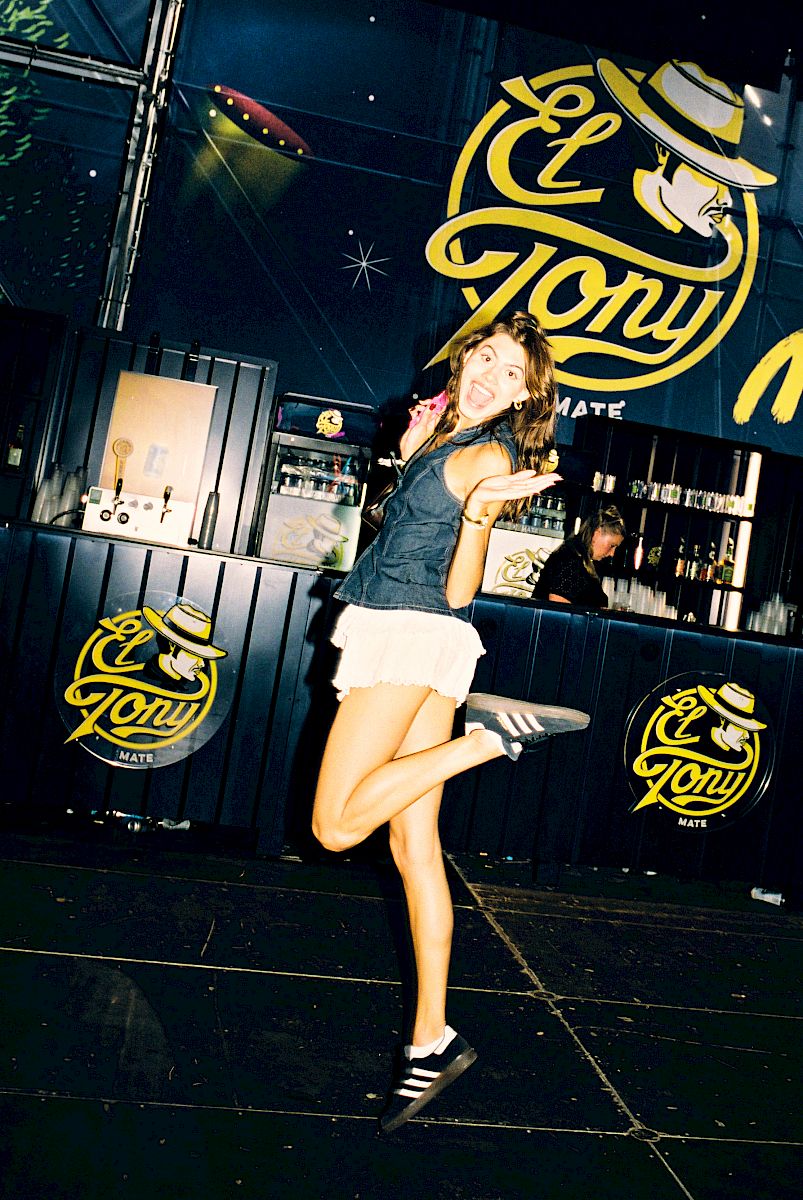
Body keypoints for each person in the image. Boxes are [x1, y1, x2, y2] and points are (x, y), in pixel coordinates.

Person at [311, 311, 591, 1132]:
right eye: (491, 360)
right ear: (468, 356)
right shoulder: (445, 431)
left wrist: (476, 516)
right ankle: (429, 1041)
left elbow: (462, 587)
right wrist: (411, 454)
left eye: (514, 378)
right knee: (410, 845)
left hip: (409, 634)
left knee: (332, 828)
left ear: (525, 399)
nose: (494, 379)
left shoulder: (483, 455)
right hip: (422, 638)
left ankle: (486, 740)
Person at [531, 505, 626, 608]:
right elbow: (558, 610)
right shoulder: (570, 560)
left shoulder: (575, 557)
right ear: (596, 533)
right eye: (612, 546)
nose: (612, 553)